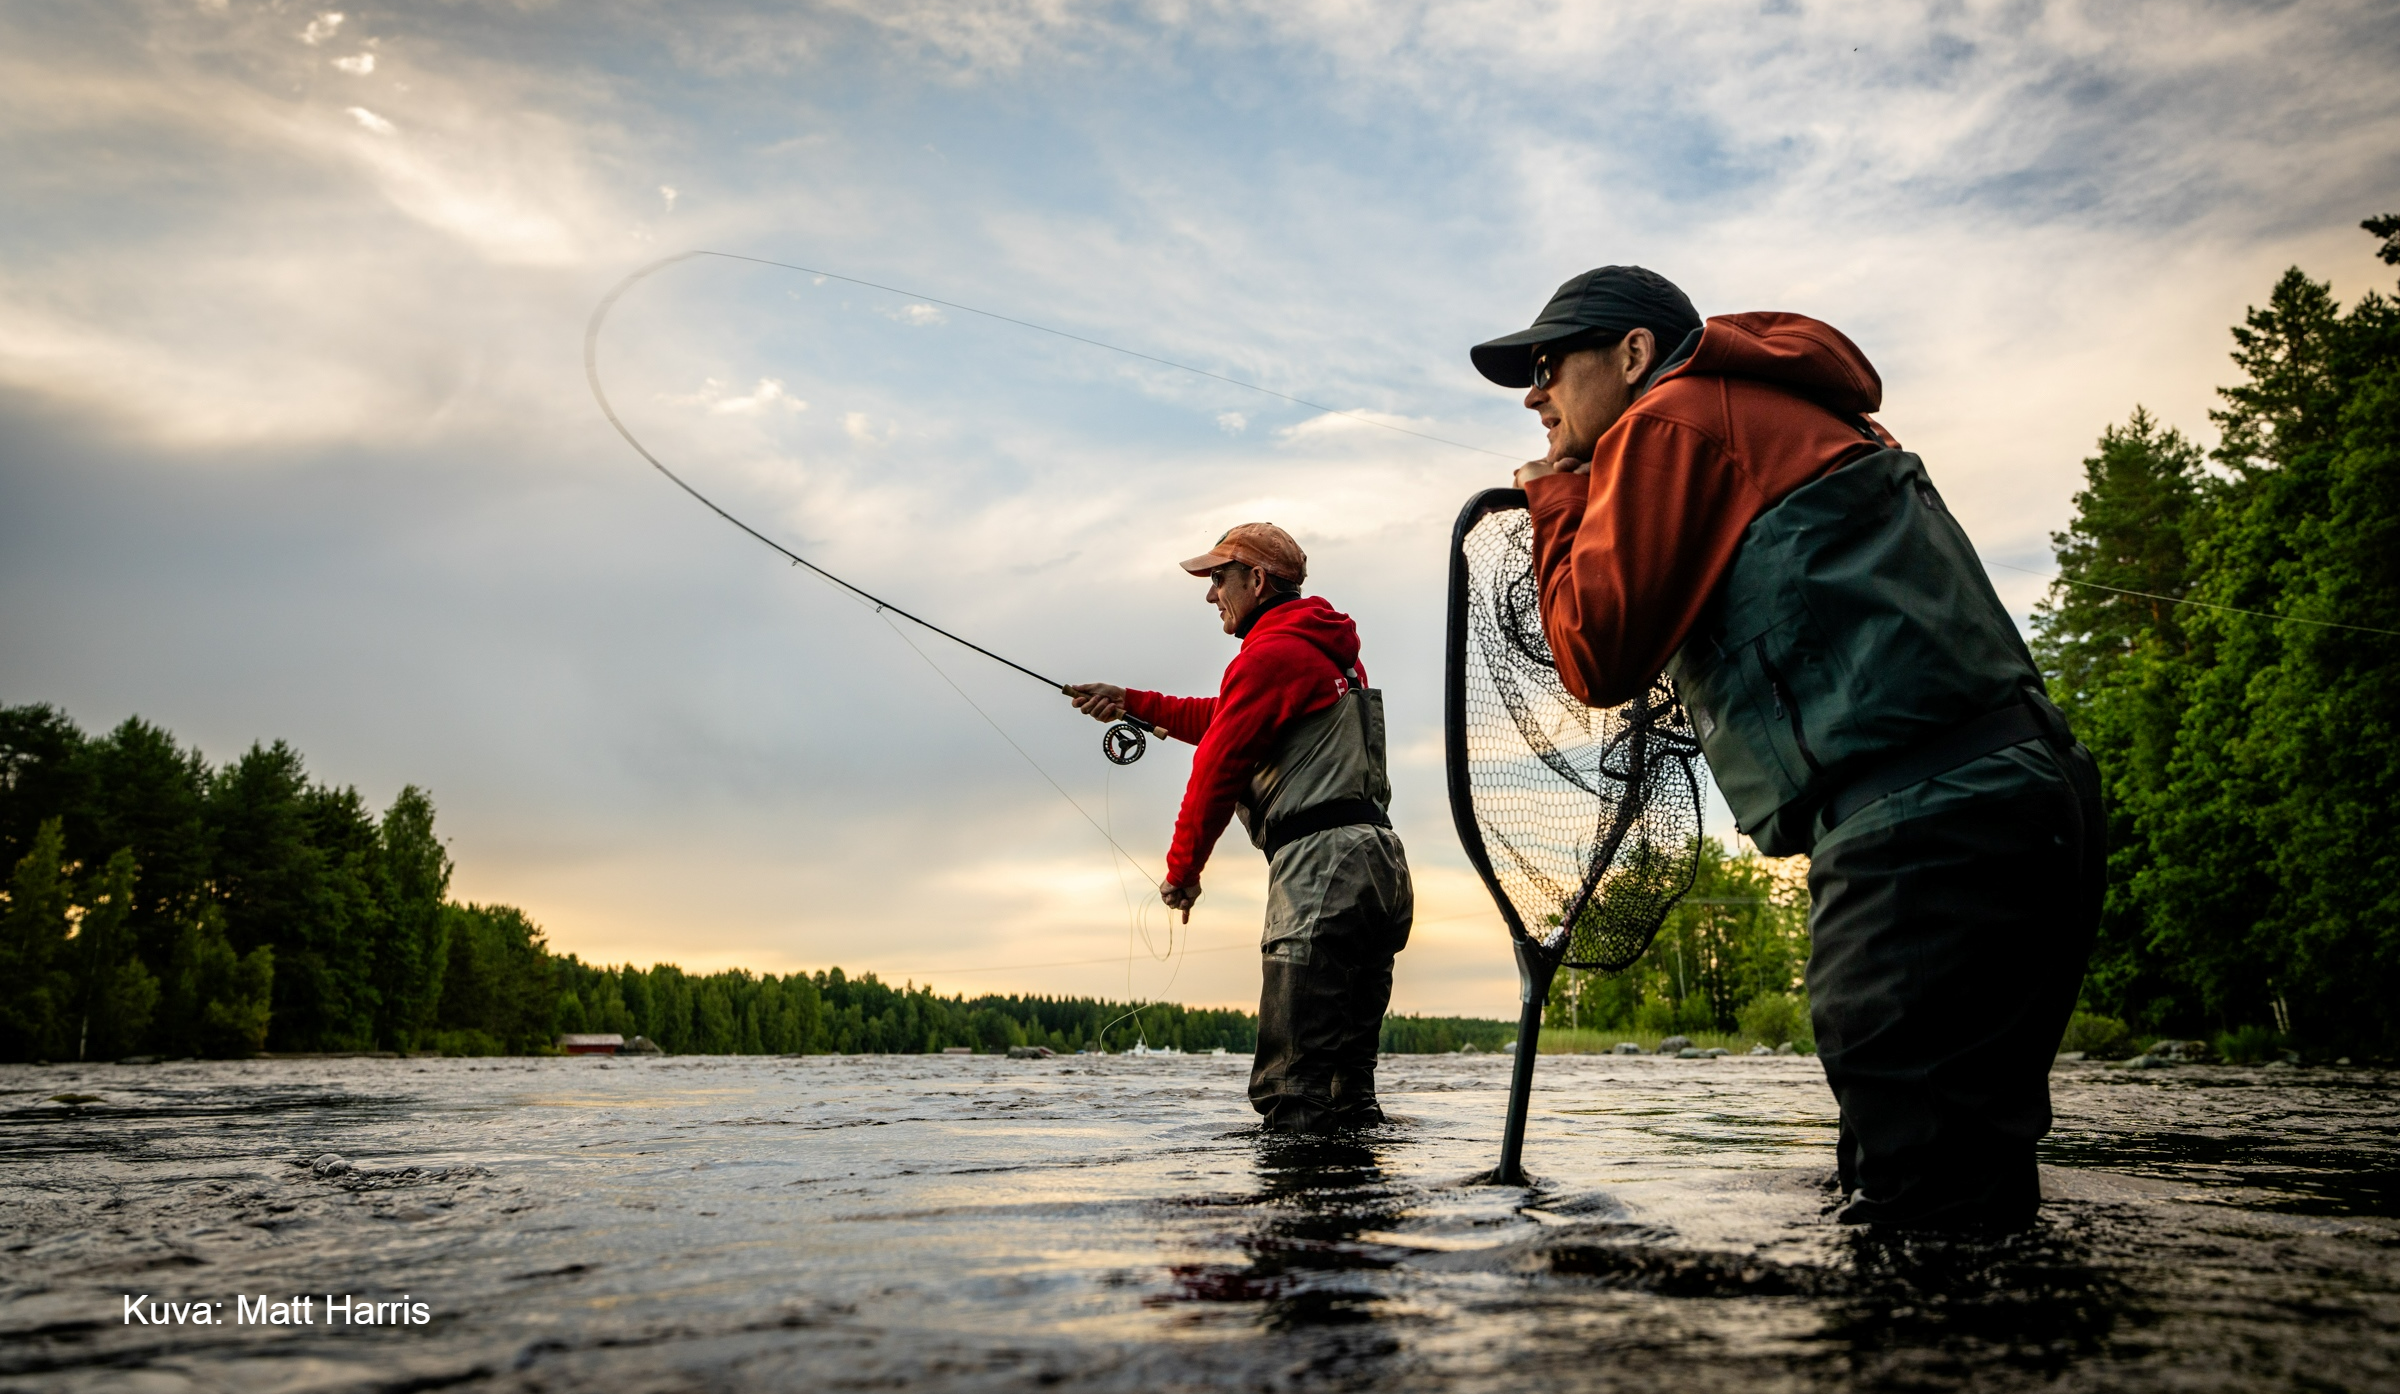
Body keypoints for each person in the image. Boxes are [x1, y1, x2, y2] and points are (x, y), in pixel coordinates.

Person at [1470, 266, 2102, 1229]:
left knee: (1925, 1213)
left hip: (1925, 835)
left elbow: (1593, 654)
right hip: (2016, 805)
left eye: (1552, 363)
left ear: (1635, 354)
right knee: (1933, 1177)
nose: (1534, 392)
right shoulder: (1771, 410)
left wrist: (1556, 502)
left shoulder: (1668, 420)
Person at [1066, 524, 1413, 1132]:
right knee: (1348, 1090)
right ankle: (1356, 1219)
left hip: (1320, 875)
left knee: (1293, 1091)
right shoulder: (1330, 653)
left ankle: (1296, 1224)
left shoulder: (1270, 656)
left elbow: (1217, 766)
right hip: (1380, 866)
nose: (1210, 595)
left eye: (1218, 578)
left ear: (1256, 580)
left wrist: (1182, 872)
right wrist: (1130, 701)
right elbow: (1231, 717)